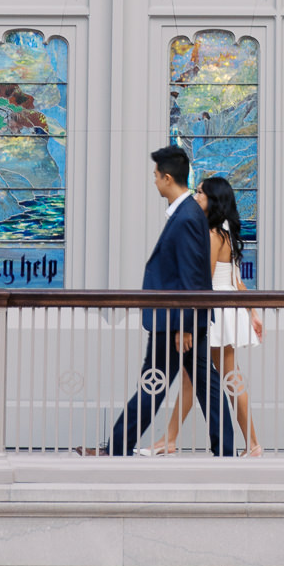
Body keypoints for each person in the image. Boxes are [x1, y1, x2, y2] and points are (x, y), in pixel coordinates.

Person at [103, 145, 236, 458]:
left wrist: (185, 326)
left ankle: (116, 448)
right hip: (180, 321)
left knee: (154, 384)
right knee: (205, 386)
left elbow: (192, 276)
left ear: (166, 178)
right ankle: (226, 452)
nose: (153, 182)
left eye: (155, 177)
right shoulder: (187, 213)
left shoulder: (187, 216)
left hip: (176, 323)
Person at [154, 174, 263, 457]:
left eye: (200, 192)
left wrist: (187, 318)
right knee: (219, 376)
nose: (195, 196)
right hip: (225, 307)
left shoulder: (214, 234)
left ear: (213, 200)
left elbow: (204, 279)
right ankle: (249, 444)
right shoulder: (224, 232)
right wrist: (252, 312)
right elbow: (237, 280)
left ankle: (250, 443)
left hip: (213, 309)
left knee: (221, 377)